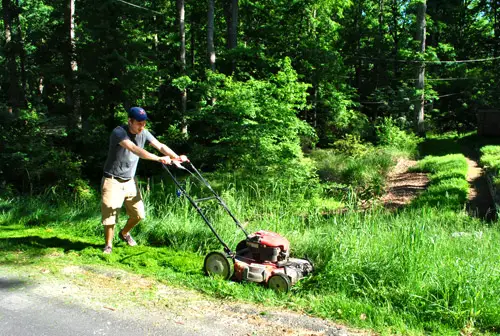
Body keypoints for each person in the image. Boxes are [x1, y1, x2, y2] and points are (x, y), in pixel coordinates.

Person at [101, 106, 186, 254]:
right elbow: (135, 149)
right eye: (139, 123)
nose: (142, 126)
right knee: (110, 214)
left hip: (129, 181)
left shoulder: (144, 133)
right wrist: (159, 159)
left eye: (144, 122)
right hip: (112, 179)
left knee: (139, 214)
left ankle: (124, 233)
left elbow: (160, 145)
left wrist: (176, 157)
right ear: (130, 121)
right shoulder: (119, 132)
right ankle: (108, 245)